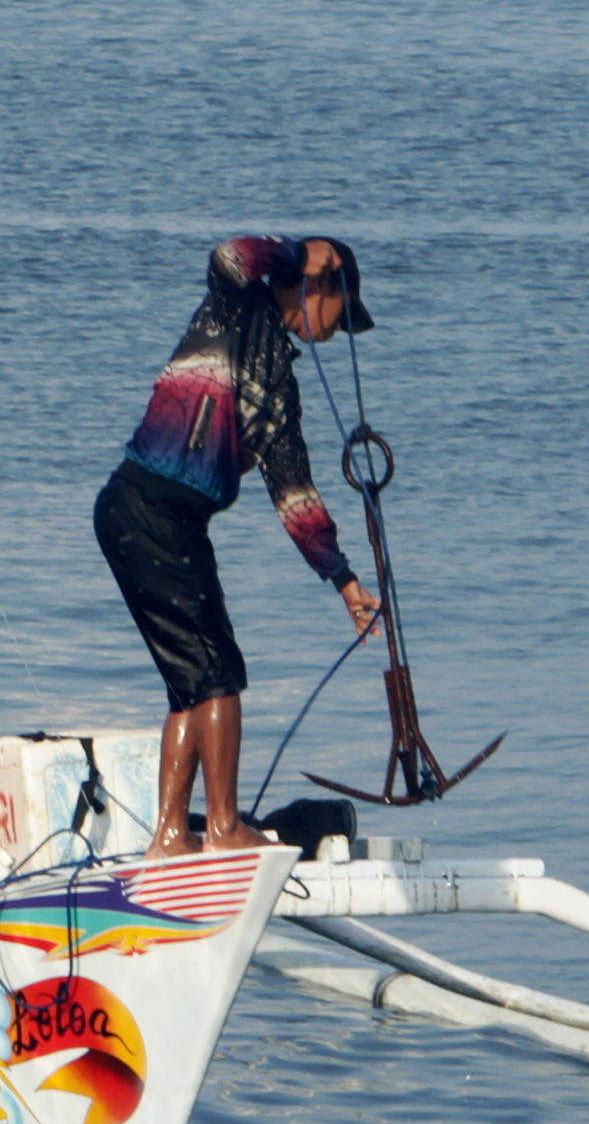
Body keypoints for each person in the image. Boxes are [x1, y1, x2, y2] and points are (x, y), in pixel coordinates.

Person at [96, 236, 384, 857]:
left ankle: (171, 835)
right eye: (342, 313)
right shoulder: (234, 308)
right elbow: (230, 255)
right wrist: (295, 253)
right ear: (320, 288)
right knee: (218, 675)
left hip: (166, 519)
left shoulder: (280, 388)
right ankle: (224, 829)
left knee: (191, 685)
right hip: (147, 505)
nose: (338, 331)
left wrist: (344, 580)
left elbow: (295, 494)